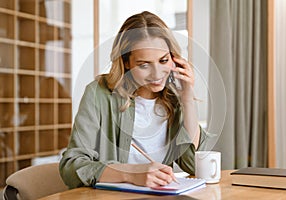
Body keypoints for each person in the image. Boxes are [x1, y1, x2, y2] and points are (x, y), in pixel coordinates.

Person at [59, 11, 207, 189]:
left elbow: (193, 165)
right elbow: (71, 166)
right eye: (143, 64)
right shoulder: (98, 93)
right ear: (126, 62)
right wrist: (131, 174)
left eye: (163, 60)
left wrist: (187, 98)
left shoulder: (175, 98)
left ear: (174, 58)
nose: (157, 74)